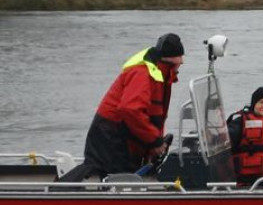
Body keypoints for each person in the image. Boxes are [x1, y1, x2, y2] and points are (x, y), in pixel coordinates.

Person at [64, 33, 184, 181]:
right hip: (111, 135)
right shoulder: (142, 73)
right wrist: (155, 141)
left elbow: (152, 115)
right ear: (171, 59)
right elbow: (130, 110)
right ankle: (65, 193)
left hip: (120, 134)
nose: (182, 61)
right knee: (119, 179)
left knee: (122, 177)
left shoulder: (160, 74)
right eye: (180, 57)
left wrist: (154, 144)